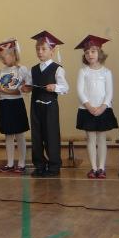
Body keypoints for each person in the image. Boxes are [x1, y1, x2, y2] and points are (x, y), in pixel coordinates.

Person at [22, 31, 68, 177]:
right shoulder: (34, 69)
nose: (40, 52)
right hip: (36, 106)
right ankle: (39, 165)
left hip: (50, 107)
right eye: (38, 49)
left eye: (43, 49)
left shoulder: (57, 69)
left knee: (51, 135)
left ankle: (54, 166)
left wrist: (55, 87)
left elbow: (65, 87)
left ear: (52, 51)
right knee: (37, 136)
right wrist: (25, 89)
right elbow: (29, 86)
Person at [74, 36, 119, 179]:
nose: (90, 55)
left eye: (93, 51)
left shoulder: (106, 72)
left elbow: (109, 92)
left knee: (101, 139)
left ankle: (101, 168)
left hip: (103, 110)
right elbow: (80, 91)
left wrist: (102, 107)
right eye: (87, 52)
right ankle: (93, 168)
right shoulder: (83, 71)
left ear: (99, 53)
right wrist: (88, 106)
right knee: (90, 139)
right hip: (87, 110)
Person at [0, 39, 29, 173]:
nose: (3, 60)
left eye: (6, 56)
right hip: (4, 104)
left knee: (19, 135)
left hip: (16, 104)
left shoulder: (22, 69)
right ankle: (9, 163)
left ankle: (21, 163)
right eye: (1, 58)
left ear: (14, 54)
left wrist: (7, 90)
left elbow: (25, 89)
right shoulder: (0, 71)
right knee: (8, 135)